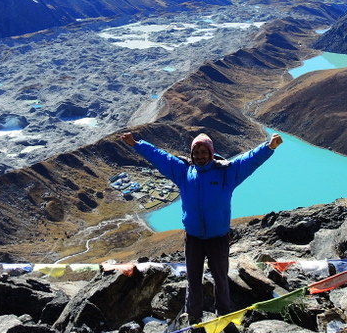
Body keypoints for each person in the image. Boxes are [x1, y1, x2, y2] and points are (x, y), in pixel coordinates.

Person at [121, 130, 283, 323]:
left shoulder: (226, 173)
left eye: (204, 152)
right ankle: (193, 317)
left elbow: (248, 160)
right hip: (194, 239)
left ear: (211, 153)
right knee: (193, 280)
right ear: (192, 155)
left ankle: (223, 315)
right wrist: (137, 144)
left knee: (221, 279)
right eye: (196, 153)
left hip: (218, 238)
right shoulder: (184, 173)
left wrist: (269, 147)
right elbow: (160, 157)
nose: (200, 156)